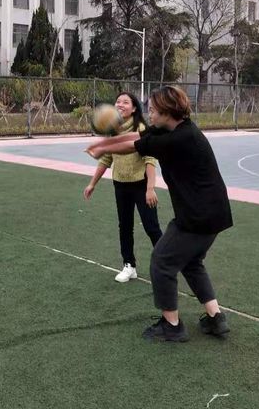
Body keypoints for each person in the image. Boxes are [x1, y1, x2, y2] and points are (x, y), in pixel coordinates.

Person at [86, 86, 232, 343]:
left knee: (162, 262)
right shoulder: (176, 129)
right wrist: (104, 143)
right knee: (191, 262)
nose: (149, 113)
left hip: (198, 216)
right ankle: (215, 317)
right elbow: (137, 136)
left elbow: (134, 146)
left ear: (167, 111)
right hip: (213, 213)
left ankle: (171, 325)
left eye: (153, 110)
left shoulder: (178, 139)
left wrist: (102, 147)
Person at [84, 92, 162, 283]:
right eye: (118, 102)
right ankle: (129, 265)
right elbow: (106, 159)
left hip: (141, 185)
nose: (120, 105)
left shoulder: (141, 129)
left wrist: (150, 188)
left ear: (134, 108)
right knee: (125, 226)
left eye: (125, 102)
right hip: (120, 185)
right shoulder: (113, 131)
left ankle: (166, 263)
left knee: (151, 227)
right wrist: (92, 183)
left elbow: (150, 159)